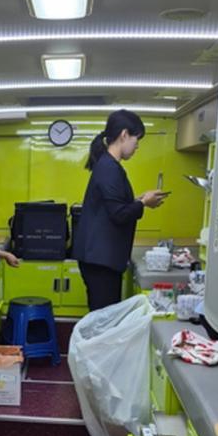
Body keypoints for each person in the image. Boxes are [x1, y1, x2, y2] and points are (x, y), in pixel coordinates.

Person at [71, 109, 167, 311]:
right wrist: (143, 203)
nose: (137, 146)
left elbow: (113, 206)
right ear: (124, 135)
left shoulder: (108, 165)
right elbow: (119, 214)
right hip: (101, 261)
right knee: (104, 319)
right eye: (136, 140)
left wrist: (139, 200)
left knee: (103, 316)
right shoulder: (109, 168)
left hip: (99, 258)